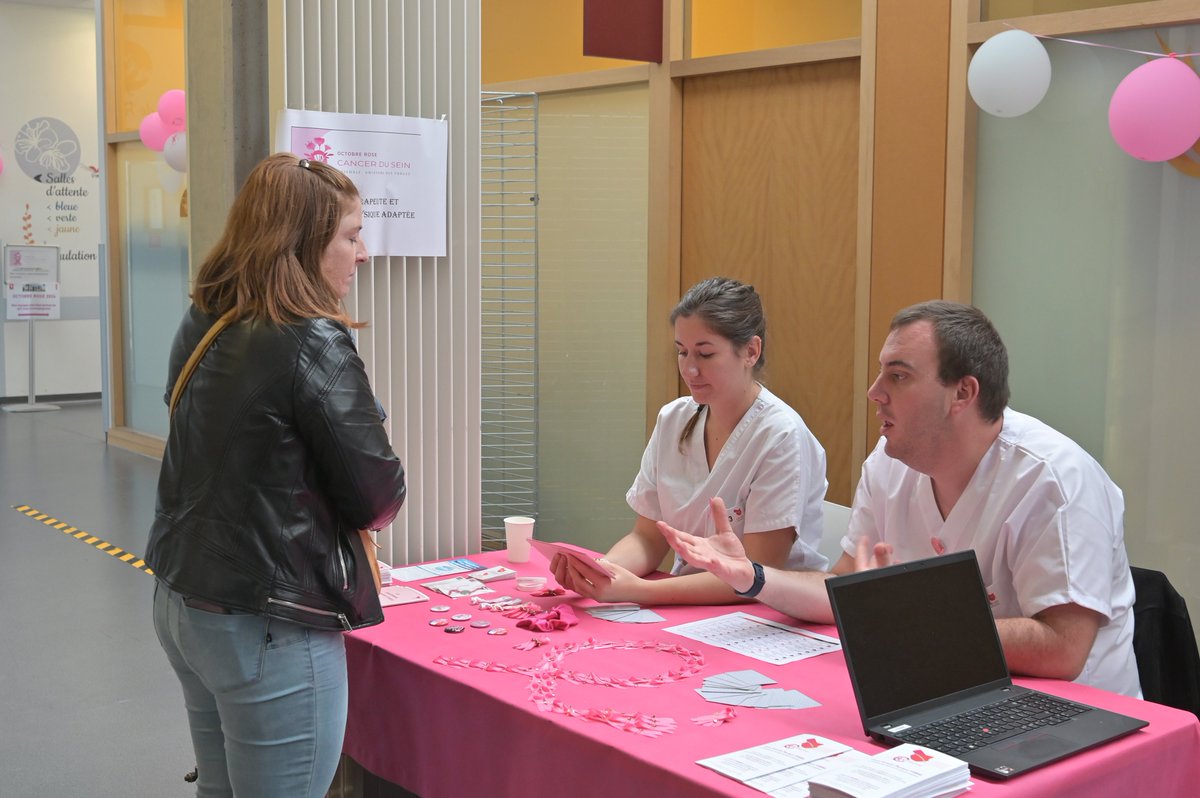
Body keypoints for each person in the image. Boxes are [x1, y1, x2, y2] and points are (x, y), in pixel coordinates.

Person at [662, 300, 1140, 697]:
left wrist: (900, 618)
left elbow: (1062, 648)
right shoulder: (890, 464)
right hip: (947, 691)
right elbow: (845, 587)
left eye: (899, 376)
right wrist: (754, 577)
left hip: (1072, 717)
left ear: (963, 393)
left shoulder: (1054, 480)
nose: (874, 393)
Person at [146, 152, 408, 798]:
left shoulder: (210, 317)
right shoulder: (312, 338)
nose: (363, 253)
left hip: (187, 598)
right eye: (350, 235)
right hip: (270, 620)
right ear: (305, 243)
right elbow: (378, 496)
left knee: (221, 788)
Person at [551, 276, 828, 605]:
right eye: (682, 353)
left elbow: (757, 575)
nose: (690, 369)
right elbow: (648, 537)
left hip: (770, 615)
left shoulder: (781, 435)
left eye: (705, 354)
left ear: (751, 351)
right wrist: (602, 572)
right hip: (690, 605)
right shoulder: (674, 419)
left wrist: (640, 591)